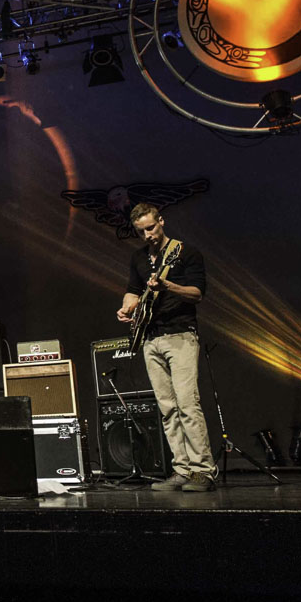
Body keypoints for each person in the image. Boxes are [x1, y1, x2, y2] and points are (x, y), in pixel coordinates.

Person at [115, 202, 213, 492]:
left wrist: (167, 286)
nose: (147, 235)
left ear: (161, 221)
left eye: (151, 228)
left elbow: (197, 294)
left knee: (187, 404)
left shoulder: (185, 253)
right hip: (150, 337)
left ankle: (202, 471)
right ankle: (182, 469)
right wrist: (127, 307)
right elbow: (133, 291)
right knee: (168, 408)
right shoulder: (139, 257)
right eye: (141, 231)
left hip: (180, 334)